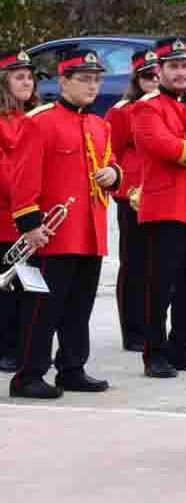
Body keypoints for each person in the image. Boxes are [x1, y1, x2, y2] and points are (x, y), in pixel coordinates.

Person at [8, 49, 121, 399]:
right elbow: (24, 178)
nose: (93, 86)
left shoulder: (100, 125)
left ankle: (72, 368)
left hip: (90, 232)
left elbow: (112, 162)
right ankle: (28, 375)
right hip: (53, 235)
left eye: (97, 79)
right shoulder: (39, 122)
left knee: (79, 307)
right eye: (85, 79)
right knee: (42, 309)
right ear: (64, 82)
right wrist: (30, 225)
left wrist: (114, 174)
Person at [133, 36, 186, 377]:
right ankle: (155, 352)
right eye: (173, 66)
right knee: (159, 285)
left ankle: (183, 346)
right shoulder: (147, 107)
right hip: (164, 208)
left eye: (185, 66)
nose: (180, 73)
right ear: (159, 70)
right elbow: (167, 147)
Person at [107, 49, 157, 353]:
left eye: (157, 75)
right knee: (134, 262)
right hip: (133, 194)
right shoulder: (122, 111)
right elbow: (109, 153)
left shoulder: (169, 106)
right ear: (136, 79)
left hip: (161, 192)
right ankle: (133, 329)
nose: (154, 81)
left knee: (158, 265)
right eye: (147, 76)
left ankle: (153, 326)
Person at [0, 48, 40, 373]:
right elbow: (7, 174)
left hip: (32, 218)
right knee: (8, 290)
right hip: (5, 218)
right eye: (19, 77)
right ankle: (7, 349)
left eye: (29, 77)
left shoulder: (34, 119)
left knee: (29, 289)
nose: (27, 82)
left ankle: (23, 347)